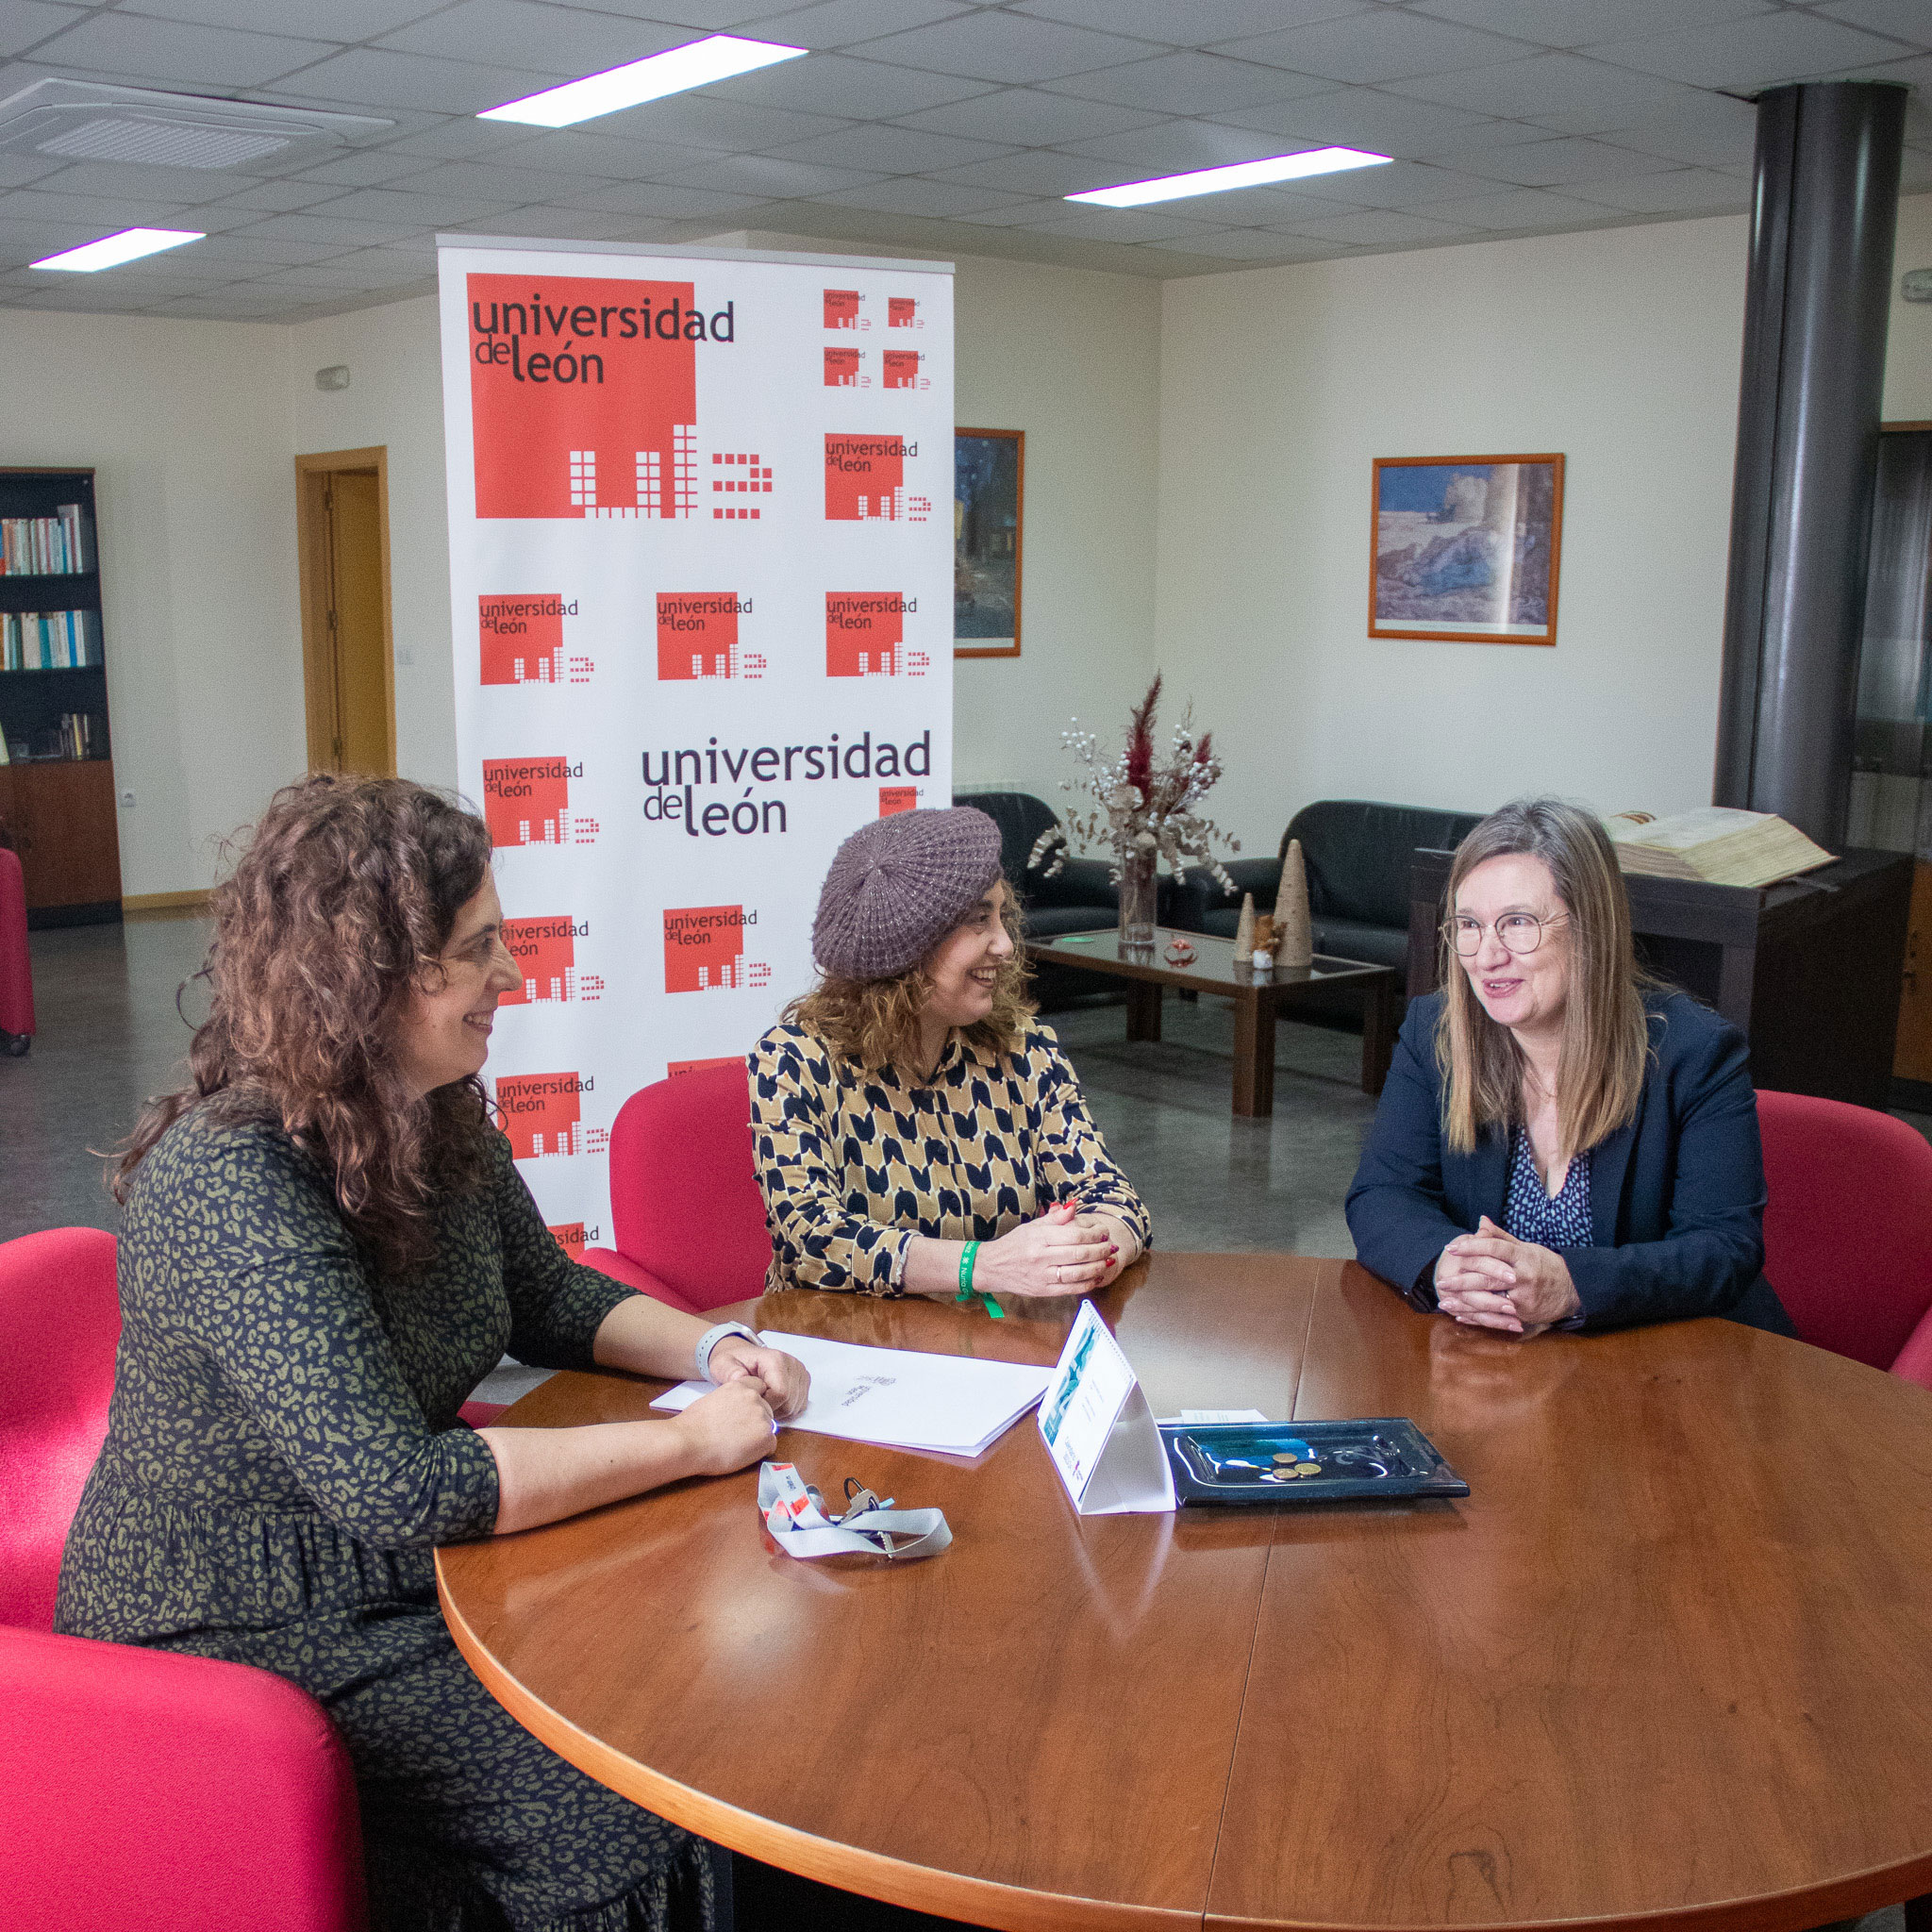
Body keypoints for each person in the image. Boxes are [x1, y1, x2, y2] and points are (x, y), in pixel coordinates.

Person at [55, 774, 810, 1932]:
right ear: (370, 979)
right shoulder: (233, 1176)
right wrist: (696, 1445)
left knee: (684, 1701)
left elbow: (548, 1294)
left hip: (396, 1572)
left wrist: (718, 1347)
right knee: (621, 1810)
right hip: (237, 1620)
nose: (513, 975)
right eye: (480, 948)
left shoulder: (434, 1104)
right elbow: (395, 1484)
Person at [1345, 796, 1793, 1338]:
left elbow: (1723, 1249)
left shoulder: (1695, 1053)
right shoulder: (1434, 1031)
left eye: (1517, 923)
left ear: (1589, 929)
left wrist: (1573, 1285)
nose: (1486, 956)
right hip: (1504, 1366)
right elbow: (1381, 1195)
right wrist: (1443, 1264)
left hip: (1671, 1371)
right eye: (1469, 925)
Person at [750, 806, 1150, 1304]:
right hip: (846, 1350)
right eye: (979, 920)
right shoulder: (793, 1061)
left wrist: (1084, 1251)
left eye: (1002, 915)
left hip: (996, 1345)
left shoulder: (1024, 1049)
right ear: (907, 947)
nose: (1004, 944)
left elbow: (1113, 1197)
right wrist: (980, 1265)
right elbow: (811, 1238)